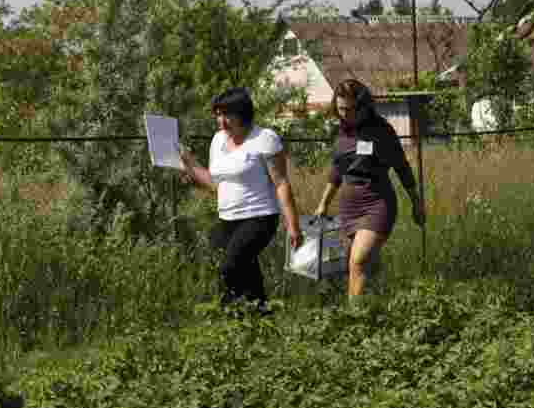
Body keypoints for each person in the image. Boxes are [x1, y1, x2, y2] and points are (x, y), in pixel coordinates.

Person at [179, 87, 303, 314]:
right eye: (218, 115)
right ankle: (261, 318)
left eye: (227, 115)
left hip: (259, 217)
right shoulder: (217, 141)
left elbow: (282, 183)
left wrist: (293, 224)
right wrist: (192, 170)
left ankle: (230, 315)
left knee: (230, 267)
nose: (221, 121)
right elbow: (215, 183)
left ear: (243, 114)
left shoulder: (265, 139)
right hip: (228, 218)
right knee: (245, 271)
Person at [313, 79, 425, 303]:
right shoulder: (342, 132)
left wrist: (416, 202)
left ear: (364, 106)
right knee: (355, 266)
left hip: (377, 203)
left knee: (358, 261)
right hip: (348, 206)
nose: (346, 114)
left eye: (351, 109)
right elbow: (337, 170)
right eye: (341, 108)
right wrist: (323, 204)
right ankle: (377, 309)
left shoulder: (382, 130)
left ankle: (353, 318)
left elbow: (402, 168)